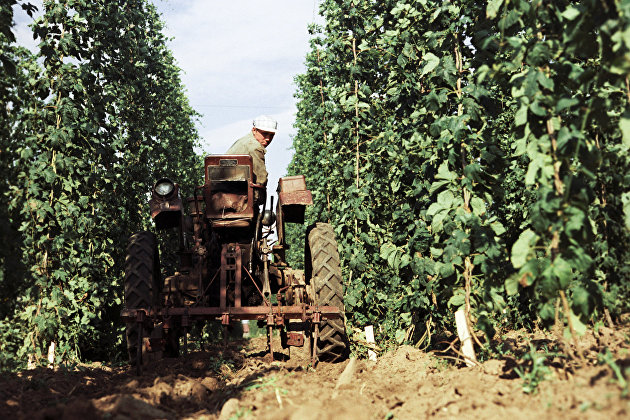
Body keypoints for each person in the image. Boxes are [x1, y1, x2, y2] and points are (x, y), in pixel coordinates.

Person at [226, 115, 277, 193]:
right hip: (238, 195)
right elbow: (261, 179)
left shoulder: (242, 141)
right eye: (265, 133)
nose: (268, 139)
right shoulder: (255, 147)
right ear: (254, 130)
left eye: (271, 135)